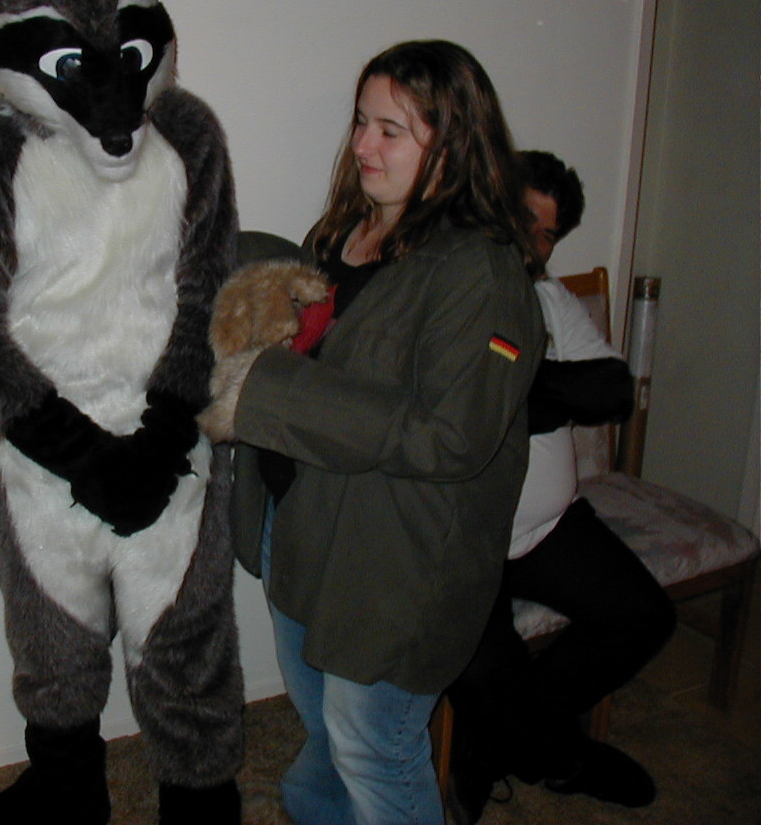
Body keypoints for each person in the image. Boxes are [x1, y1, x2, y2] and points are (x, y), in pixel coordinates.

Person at [201, 40, 544, 825]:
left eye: (391, 130)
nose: (362, 145)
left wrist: (266, 388)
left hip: (393, 561)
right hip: (303, 528)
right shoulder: (343, 233)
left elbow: (451, 437)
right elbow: (322, 349)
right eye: (360, 121)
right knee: (326, 731)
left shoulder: (480, 273)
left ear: (452, 145)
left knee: (373, 747)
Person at [444, 150, 676, 823]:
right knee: (481, 668)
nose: (533, 243)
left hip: (551, 526)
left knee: (644, 617)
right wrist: (545, 392)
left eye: (547, 235)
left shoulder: (547, 298)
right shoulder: (448, 288)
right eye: (525, 219)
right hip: (467, 539)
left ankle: (490, 743)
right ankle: (565, 758)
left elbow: (612, 391)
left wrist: (519, 389)